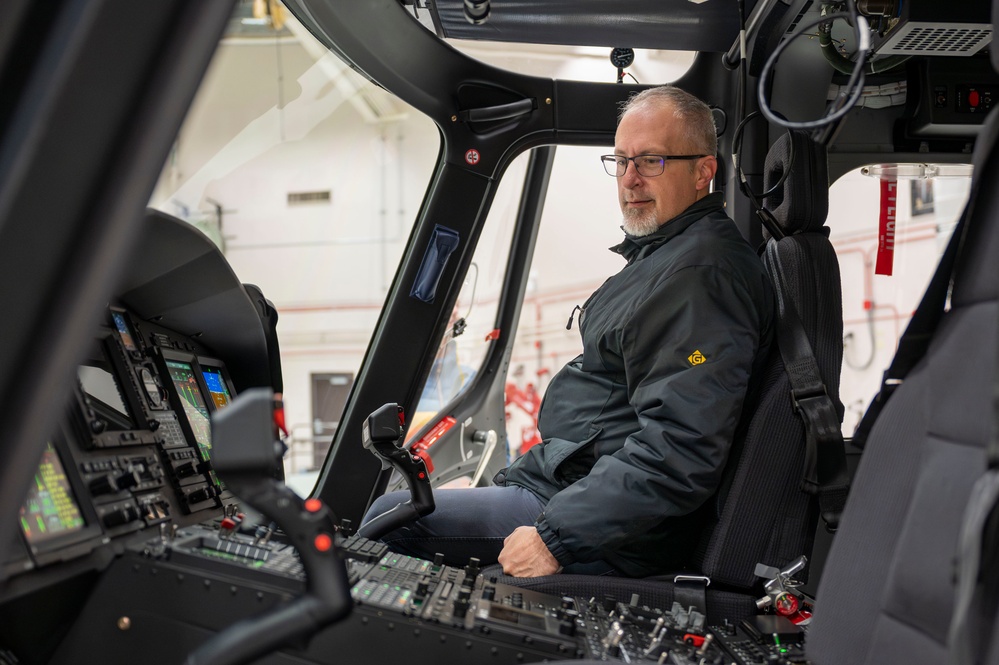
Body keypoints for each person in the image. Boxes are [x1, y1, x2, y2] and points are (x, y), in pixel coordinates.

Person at [362, 85, 775, 578]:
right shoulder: (667, 256)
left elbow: (680, 447)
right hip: (572, 490)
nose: (629, 180)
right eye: (620, 161)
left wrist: (555, 538)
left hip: (617, 532)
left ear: (703, 170)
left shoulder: (699, 276)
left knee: (388, 523)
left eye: (651, 162)